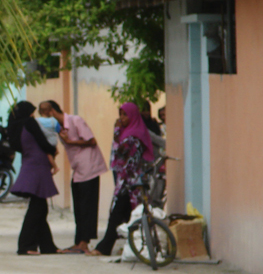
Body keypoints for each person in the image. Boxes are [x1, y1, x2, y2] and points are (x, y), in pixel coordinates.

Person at [39, 100, 108, 253]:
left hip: (89, 167)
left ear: (51, 111)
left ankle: (84, 242)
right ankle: (79, 242)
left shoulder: (75, 120)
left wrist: (70, 141)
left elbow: (91, 140)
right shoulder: (59, 128)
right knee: (78, 206)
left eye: (44, 114)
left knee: (87, 206)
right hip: (78, 169)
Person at [87, 102, 154, 256]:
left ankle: (104, 248)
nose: (122, 118)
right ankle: (129, 247)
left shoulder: (133, 136)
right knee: (127, 215)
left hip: (131, 183)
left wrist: (116, 131)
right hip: (127, 181)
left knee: (119, 214)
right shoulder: (128, 133)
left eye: (125, 115)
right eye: (120, 114)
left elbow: (121, 154)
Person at [8, 101, 60, 255]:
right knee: (37, 209)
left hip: (31, 164)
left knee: (40, 208)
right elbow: (42, 141)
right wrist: (53, 150)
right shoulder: (29, 123)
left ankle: (48, 246)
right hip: (38, 167)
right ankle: (25, 245)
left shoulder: (16, 126)